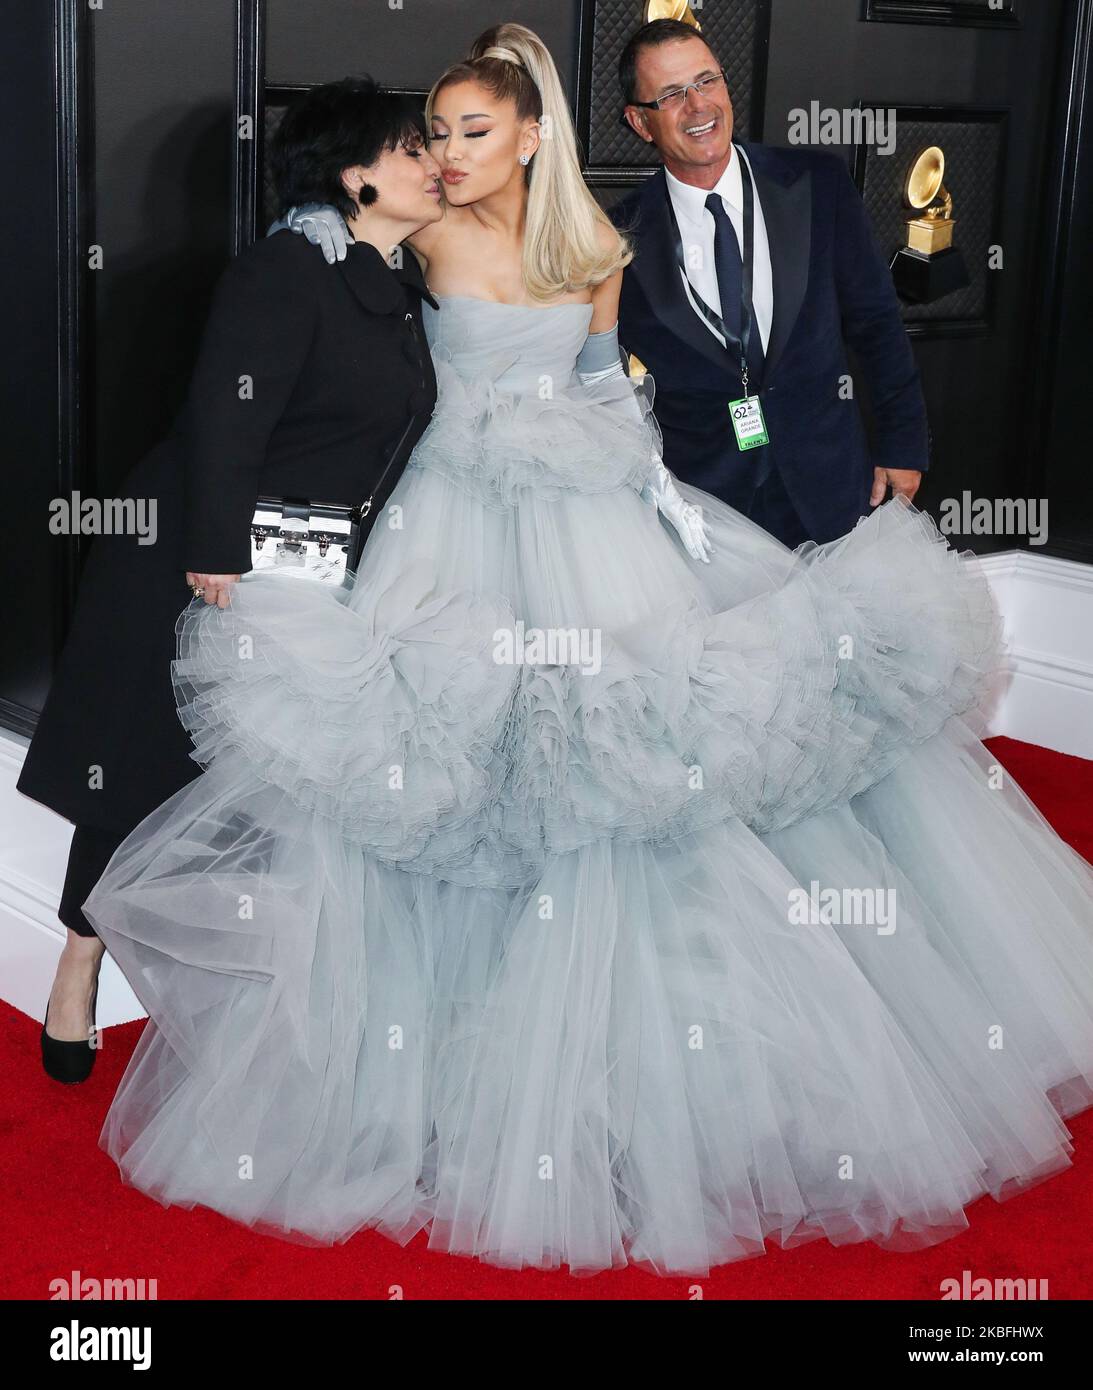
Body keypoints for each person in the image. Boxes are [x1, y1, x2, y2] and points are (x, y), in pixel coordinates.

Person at [82, 24, 1093, 1278]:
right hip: (448, 532)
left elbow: (618, 396)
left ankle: (663, 1069)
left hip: (594, 522)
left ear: (528, 137)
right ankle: (425, 1071)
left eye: (467, 131)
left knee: (633, 760)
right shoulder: (415, 242)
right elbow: (333, 307)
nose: (443, 154)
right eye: (433, 133)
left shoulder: (601, 250)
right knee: (458, 765)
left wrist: (669, 515)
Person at [17, 76, 444, 1082]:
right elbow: (227, 412)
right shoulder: (290, 266)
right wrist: (216, 554)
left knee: (256, 793)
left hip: (307, 571)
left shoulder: (397, 280)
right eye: (410, 147)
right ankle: (79, 957)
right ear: (356, 175)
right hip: (197, 565)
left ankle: (245, 1002)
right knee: (140, 771)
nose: (432, 161)